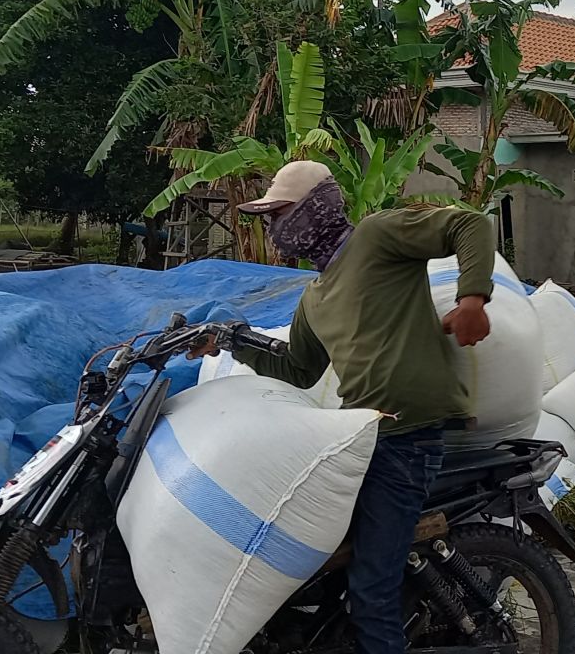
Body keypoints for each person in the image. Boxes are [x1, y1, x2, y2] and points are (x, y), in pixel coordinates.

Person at [190, 160, 494, 654]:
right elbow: (298, 369)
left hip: (409, 436)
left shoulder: (376, 236)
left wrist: (473, 299)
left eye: (279, 214)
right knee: (321, 560)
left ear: (315, 208)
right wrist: (230, 342)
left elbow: (469, 223)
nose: (273, 229)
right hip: (365, 436)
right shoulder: (313, 296)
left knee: (372, 590)